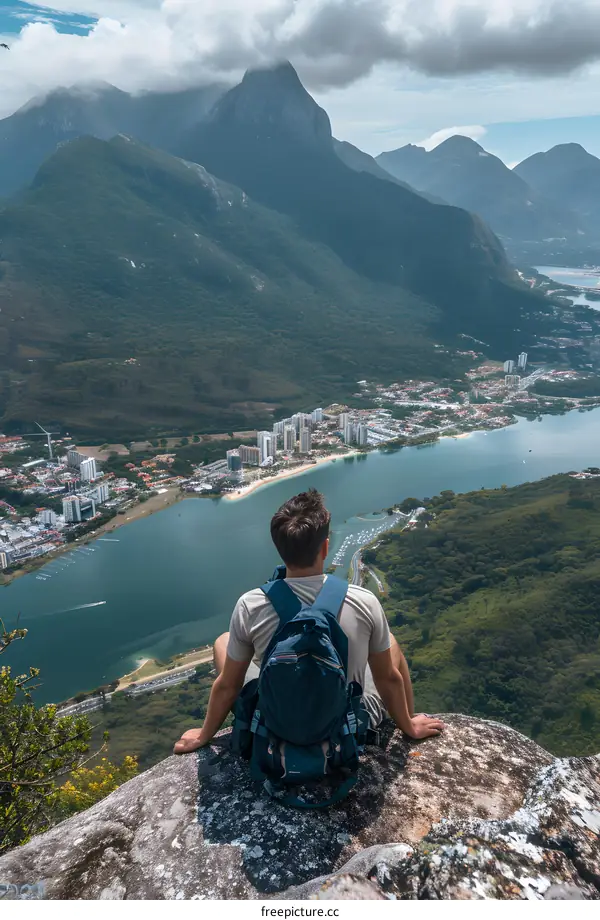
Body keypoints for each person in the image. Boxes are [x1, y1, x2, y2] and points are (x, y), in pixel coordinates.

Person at [174, 488, 444, 754]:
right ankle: (408, 720)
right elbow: (388, 679)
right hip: (346, 727)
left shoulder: (250, 605)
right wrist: (408, 726)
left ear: (279, 549)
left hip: (276, 726)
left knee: (224, 642)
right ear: (325, 547)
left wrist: (203, 735)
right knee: (390, 645)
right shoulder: (363, 600)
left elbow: (228, 685)